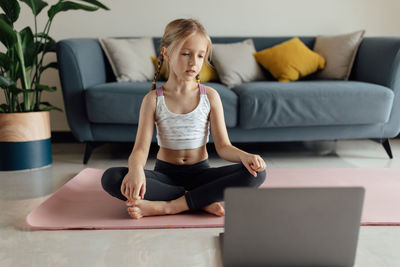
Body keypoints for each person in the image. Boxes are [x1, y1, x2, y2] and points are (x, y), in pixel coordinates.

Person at [101, 18, 267, 219]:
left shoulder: (210, 96)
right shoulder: (153, 99)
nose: (193, 62)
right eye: (186, 54)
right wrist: (136, 170)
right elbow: (141, 149)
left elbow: (223, 146)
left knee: (256, 174)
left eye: (200, 56)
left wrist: (245, 156)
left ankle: (169, 206)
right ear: (166, 52)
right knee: (111, 178)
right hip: (165, 177)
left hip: (201, 175)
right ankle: (199, 201)